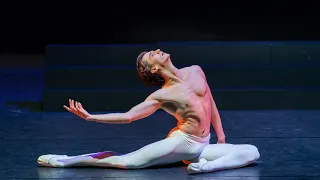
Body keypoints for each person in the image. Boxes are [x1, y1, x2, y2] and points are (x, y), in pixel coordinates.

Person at [37, 49, 260, 174]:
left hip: (203, 146)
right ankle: (65, 160)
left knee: (252, 152)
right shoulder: (162, 95)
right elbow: (129, 116)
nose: (157, 51)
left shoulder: (195, 71)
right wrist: (91, 116)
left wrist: (220, 137)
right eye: (152, 55)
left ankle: (205, 168)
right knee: (127, 163)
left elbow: (210, 103)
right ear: (154, 69)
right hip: (183, 142)